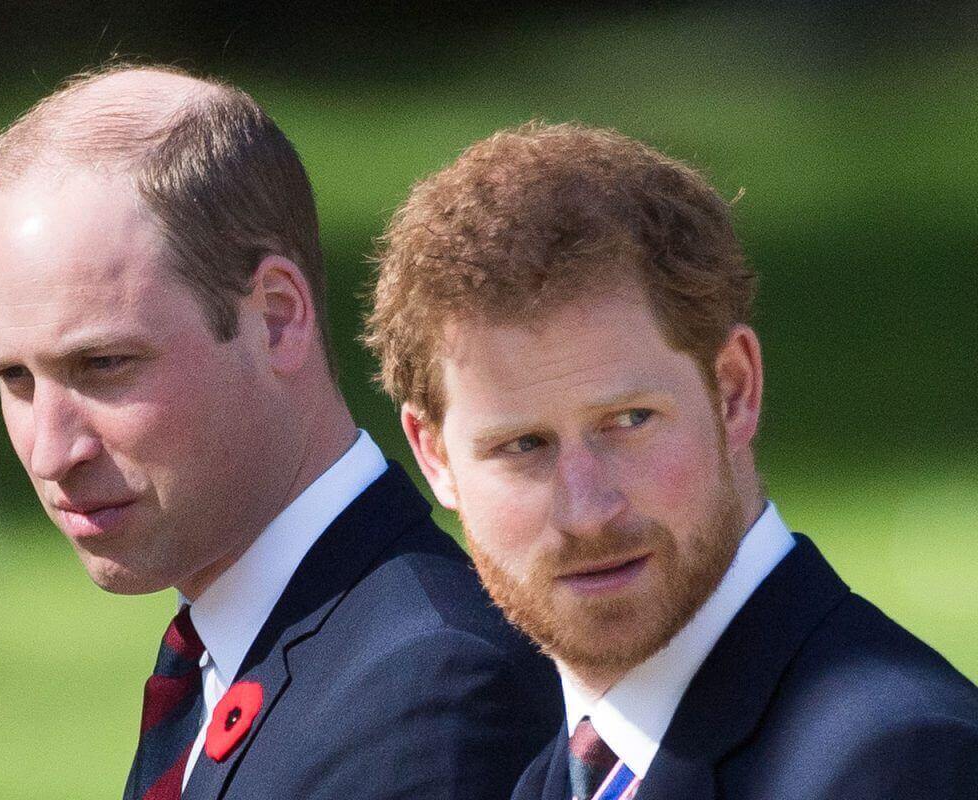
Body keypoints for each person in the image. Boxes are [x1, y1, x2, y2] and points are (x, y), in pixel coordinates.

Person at [0, 65, 562, 800]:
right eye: (15, 378)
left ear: (276, 318)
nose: (51, 452)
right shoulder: (240, 651)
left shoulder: (427, 696)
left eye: (105, 365)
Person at [364, 121, 978, 800]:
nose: (587, 511)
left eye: (629, 420)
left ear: (733, 391)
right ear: (435, 456)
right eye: (522, 445)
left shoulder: (895, 764)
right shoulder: (549, 777)